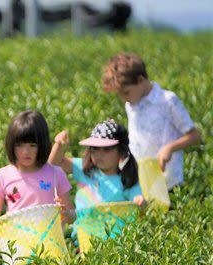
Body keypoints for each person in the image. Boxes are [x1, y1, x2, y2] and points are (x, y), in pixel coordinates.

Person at [102, 52, 201, 190]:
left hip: (168, 182)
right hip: (140, 180)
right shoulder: (131, 105)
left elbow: (194, 136)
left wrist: (170, 148)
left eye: (126, 92)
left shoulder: (167, 101)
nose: (124, 99)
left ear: (141, 80)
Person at [0, 110, 75, 234]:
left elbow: (72, 216)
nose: (25, 151)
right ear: (11, 145)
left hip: (51, 244)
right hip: (18, 243)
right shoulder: (3, 175)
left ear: (42, 145)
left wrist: (66, 213)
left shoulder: (55, 173)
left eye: (32, 145)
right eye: (19, 145)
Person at [48, 120, 145, 241]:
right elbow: (53, 164)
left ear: (122, 151)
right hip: (83, 240)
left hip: (113, 242)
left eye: (107, 149)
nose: (100, 154)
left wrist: (139, 201)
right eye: (95, 148)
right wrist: (59, 145)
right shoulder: (85, 170)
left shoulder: (127, 181)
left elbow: (138, 200)